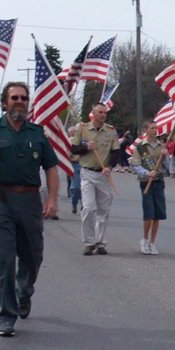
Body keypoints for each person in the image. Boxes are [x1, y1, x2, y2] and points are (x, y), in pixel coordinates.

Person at [0, 82, 60, 337]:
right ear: (5, 103)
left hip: (29, 201)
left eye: (23, 98)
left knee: (32, 256)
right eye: (14, 98)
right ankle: (6, 315)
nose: (19, 101)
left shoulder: (37, 133)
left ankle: (24, 292)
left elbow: (51, 167)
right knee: (4, 258)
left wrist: (52, 199)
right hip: (0, 200)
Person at [69, 104, 119, 255]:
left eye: (105, 112)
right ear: (93, 113)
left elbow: (116, 152)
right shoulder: (82, 128)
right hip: (87, 173)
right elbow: (73, 148)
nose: (103, 115)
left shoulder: (110, 131)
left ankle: (100, 242)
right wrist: (86, 148)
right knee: (89, 208)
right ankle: (89, 242)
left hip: (103, 174)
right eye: (100, 112)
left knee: (103, 210)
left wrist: (110, 167)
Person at [135, 123, 168, 254]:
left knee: (157, 214)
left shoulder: (162, 147)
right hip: (146, 182)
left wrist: (165, 156)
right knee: (149, 213)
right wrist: (146, 173)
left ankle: (152, 242)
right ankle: (144, 239)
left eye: (156, 128)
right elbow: (135, 165)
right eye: (152, 128)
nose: (155, 130)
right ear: (146, 130)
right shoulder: (140, 147)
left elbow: (167, 165)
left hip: (159, 181)